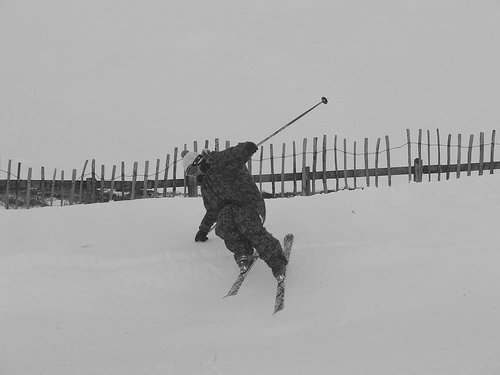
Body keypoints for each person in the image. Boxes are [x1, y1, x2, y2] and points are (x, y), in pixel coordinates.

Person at [181, 142, 288, 280]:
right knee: (223, 226)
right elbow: (213, 210)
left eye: (192, 171)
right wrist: (204, 228)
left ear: (199, 162)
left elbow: (236, 154)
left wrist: (246, 148)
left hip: (251, 204)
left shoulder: (221, 161)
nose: (194, 176)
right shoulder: (206, 187)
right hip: (232, 210)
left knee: (246, 224)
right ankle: (243, 252)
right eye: (190, 174)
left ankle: (277, 262)